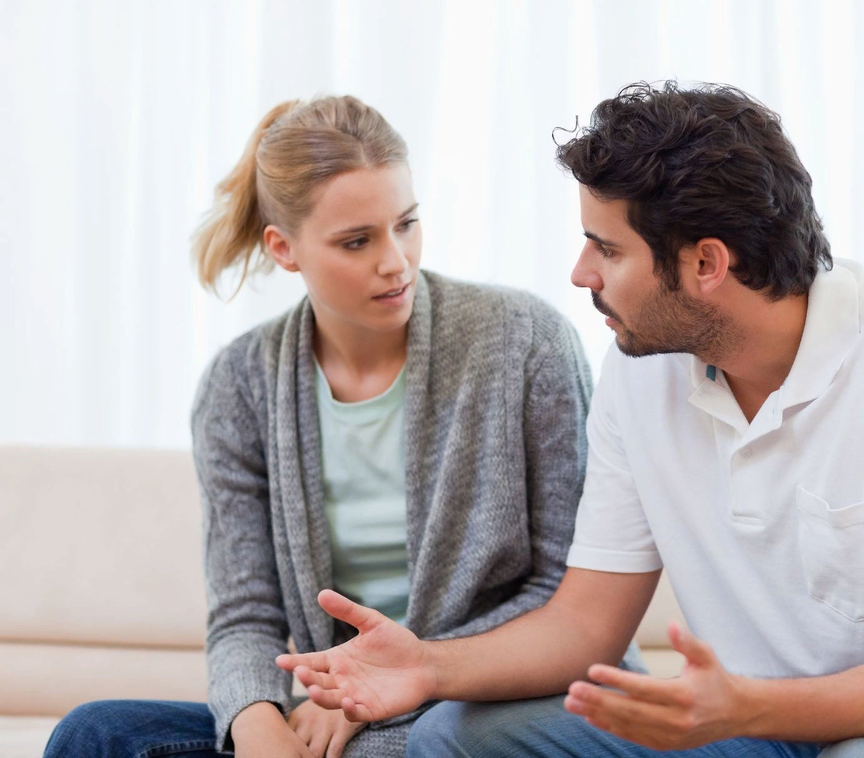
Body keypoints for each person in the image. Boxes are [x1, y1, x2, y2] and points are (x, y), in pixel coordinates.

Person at [277, 82, 864, 758]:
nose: (580, 273)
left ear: (707, 263)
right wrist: (429, 667)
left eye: (608, 249)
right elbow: (584, 626)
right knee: (457, 737)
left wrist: (743, 708)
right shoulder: (640, 368)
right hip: (753, 722)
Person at [43, 95, 609, 757]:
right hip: (341, 703)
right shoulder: (239, 386)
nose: (395, 260)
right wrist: (259, 728)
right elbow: (244, 614)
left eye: (407, 223)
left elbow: (567, 593)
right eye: (357, 241)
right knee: (96, 733)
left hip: (497, 697)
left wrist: (385, 681)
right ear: (284, 249)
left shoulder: (527, 342)